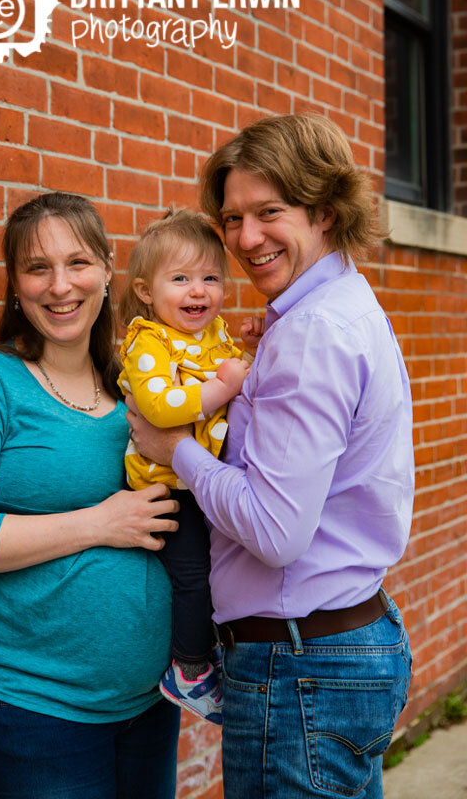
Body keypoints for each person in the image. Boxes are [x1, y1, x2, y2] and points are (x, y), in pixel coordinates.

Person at [126, 113, 414, 799]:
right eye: (231, 218)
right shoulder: (333, 307)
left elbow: (275, 532)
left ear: (325, 209)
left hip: (300, 668)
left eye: (269, 212)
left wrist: (176, 450)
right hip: (338, 650)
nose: (245, 239)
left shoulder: (312, 334)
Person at [0, 192, 183, 799]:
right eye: (38, 268)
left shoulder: (140, 389)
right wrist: (98, 523)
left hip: (146, 702)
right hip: (23, 703)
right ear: (15, 285)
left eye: (78, 263)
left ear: (109, 270)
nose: (60, 285)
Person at [118, 208, 250, 724]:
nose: (198, 291)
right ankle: (190, 670)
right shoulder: (147, 340)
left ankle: (203, 651)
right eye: (181, 279)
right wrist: (221, 386)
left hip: (201, 480)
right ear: (146, 291)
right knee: (194, 579)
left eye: (210, 278)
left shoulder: (213, 333)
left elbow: (244, 369)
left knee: (217, 575)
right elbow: (159, 408)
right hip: (168, 488)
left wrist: (255, 347)